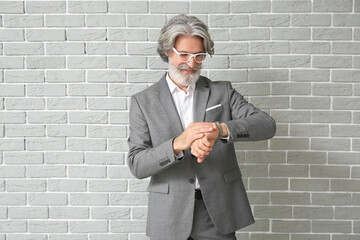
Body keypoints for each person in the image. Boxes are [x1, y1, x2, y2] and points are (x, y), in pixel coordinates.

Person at [127, 14, 276, 240]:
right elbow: (137, 164)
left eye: (199, 56)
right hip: (169, 215)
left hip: (217, 213)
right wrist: (178, 144)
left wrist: (220, 130)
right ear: (167, 52)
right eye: (184, 54)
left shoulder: (222, 92)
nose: (192, 63)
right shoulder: (143, 101)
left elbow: (266, 125)